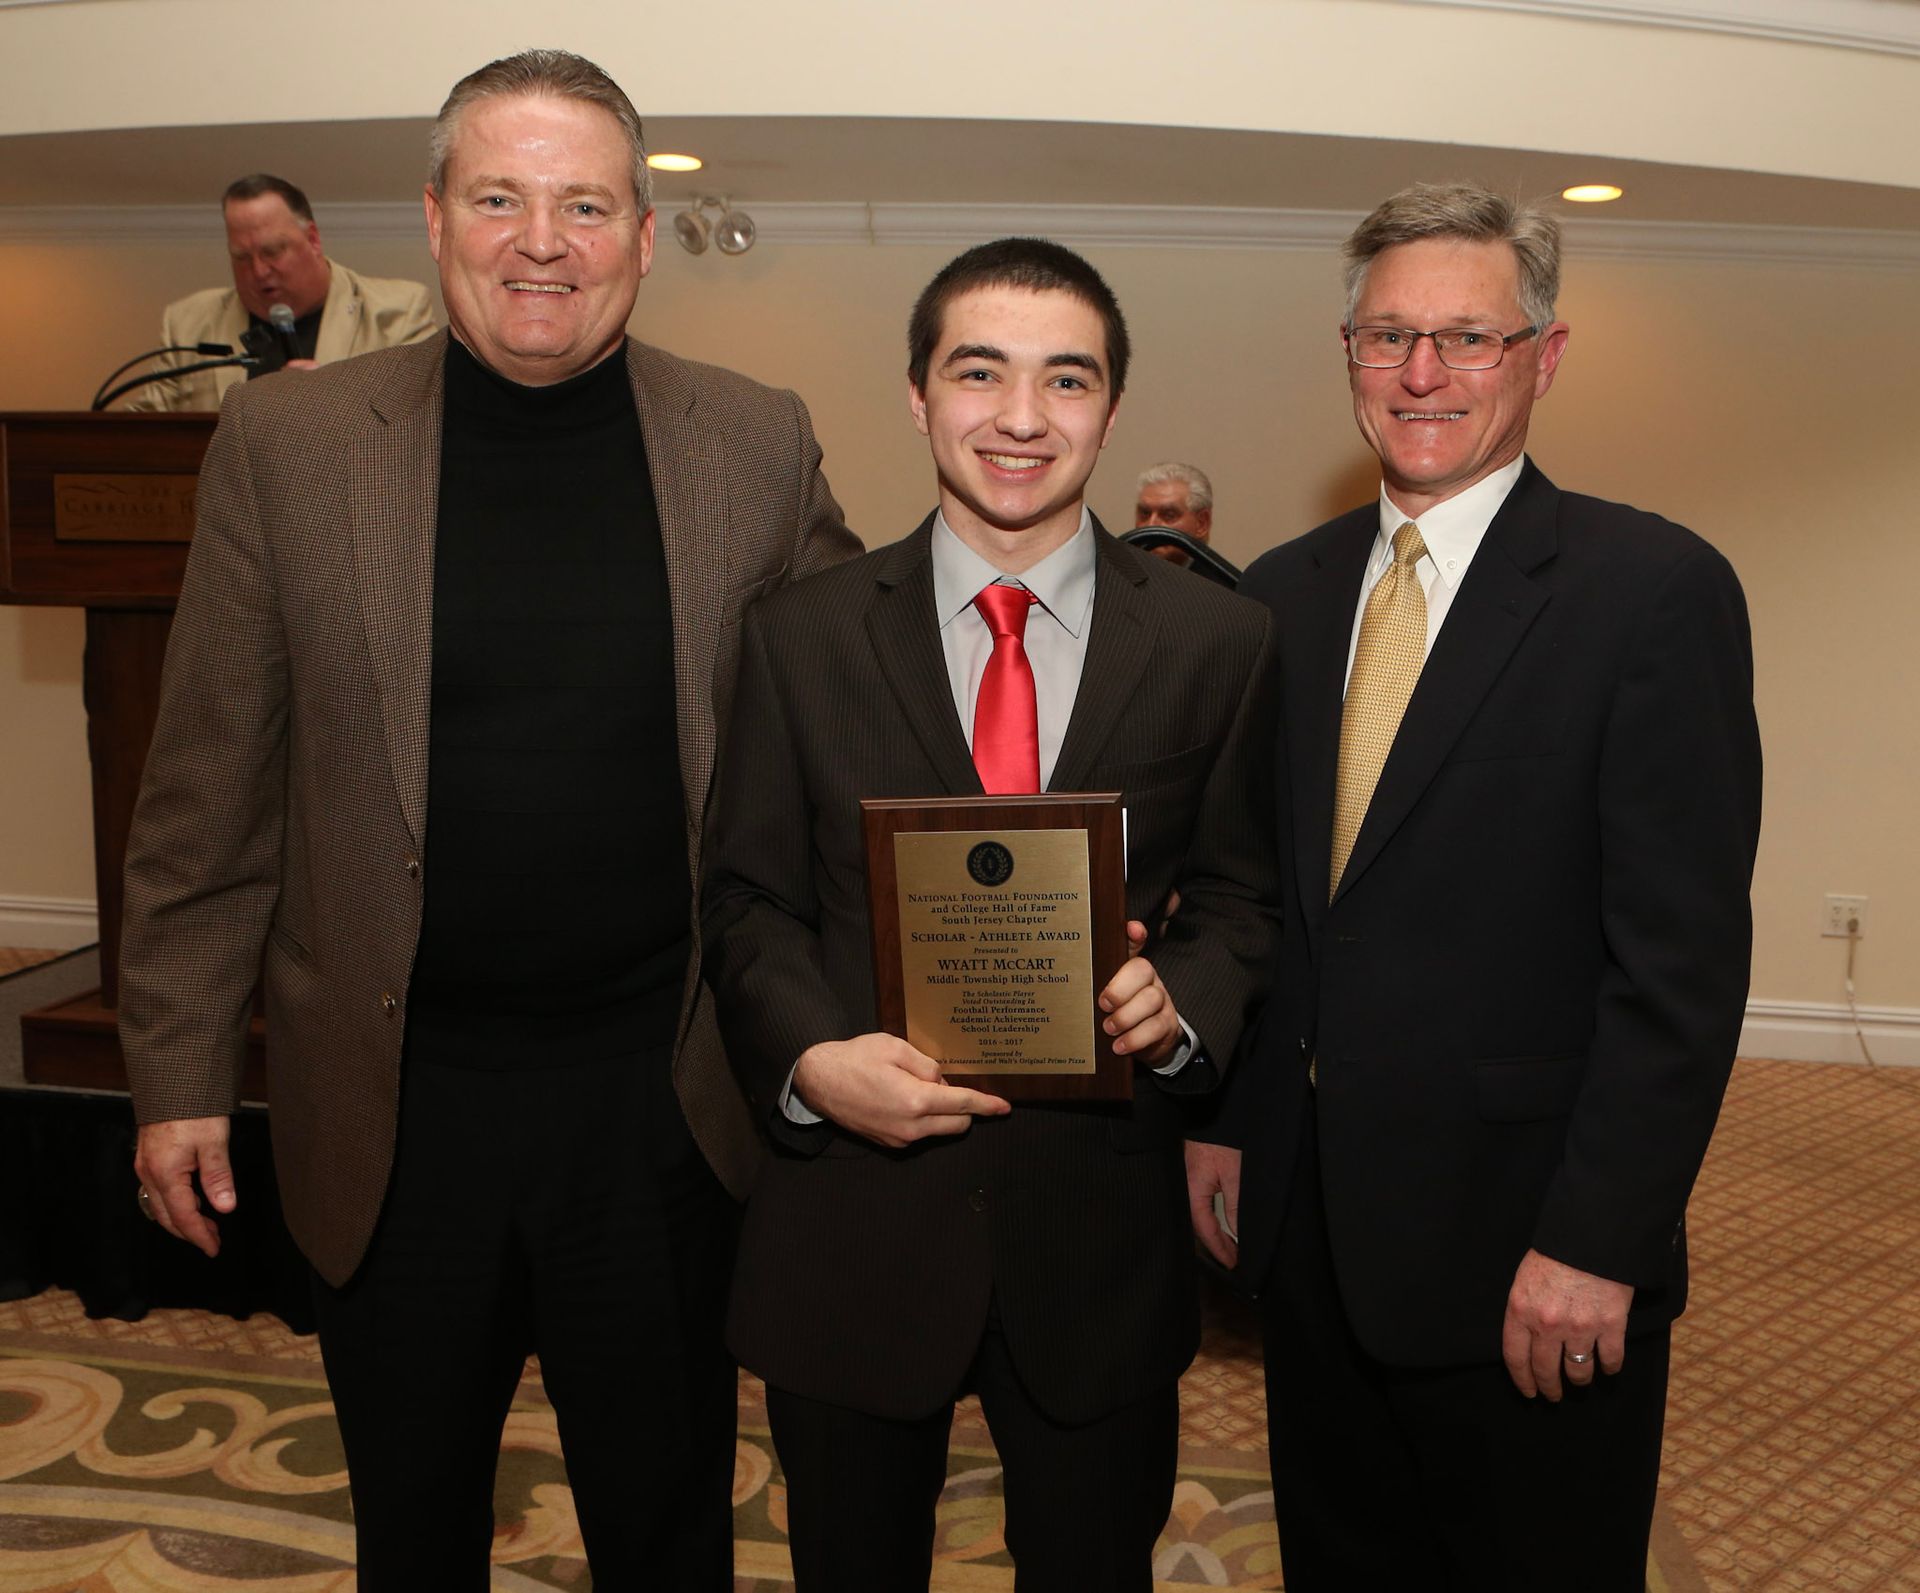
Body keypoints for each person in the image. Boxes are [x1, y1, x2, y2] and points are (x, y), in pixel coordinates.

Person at [119, 49, 857, 1589]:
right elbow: (208, 787)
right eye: (503, 198)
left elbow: (858, 721)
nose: (544, 241)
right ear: (436, 217)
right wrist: (177, 1071)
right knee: (416, 1530)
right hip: (393, 1112)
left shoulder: (755, 440)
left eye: (586, 204)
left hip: (659, 1105)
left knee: (667, 1534)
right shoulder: (288, 447)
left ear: (644, 239)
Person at [1185, 181, 1762, 1590]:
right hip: (1315, 1241)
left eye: (1467, 339)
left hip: (1529, 1255)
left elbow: (1677, 970)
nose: (1422, 375)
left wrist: (1593, 1239)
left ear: (1544, 358)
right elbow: (1265, 901)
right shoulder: (1281, 591)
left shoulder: (1652, 591)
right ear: (1349, 355)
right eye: (1388, 338)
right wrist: (1230, 1124)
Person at [702, 238, 1280, 1592]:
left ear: (1110, 407)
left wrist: (1183, 1002)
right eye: (982, 372)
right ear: (917, 395)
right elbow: (744, 900)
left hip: (1096, 1240)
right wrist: (806, 1060)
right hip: (856, 1225)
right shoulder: (801, 633)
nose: (1023, 417)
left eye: (1065, 379)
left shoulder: (1219, 642)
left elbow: (1246, 899)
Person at [129, 173, 436, 411]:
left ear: (313, 240)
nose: (259, 270)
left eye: (273, 251)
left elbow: (423, 415)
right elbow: (142, 430)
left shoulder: (398, 310)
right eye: (241, 257)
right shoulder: (188, 323)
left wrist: (332, 399)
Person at [1133, 460, 1214, 563]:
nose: (1151, 525)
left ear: (1201, 524)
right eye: (1145, 513)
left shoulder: (1218, 578)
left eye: (1168, 515)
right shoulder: (1114, 573)